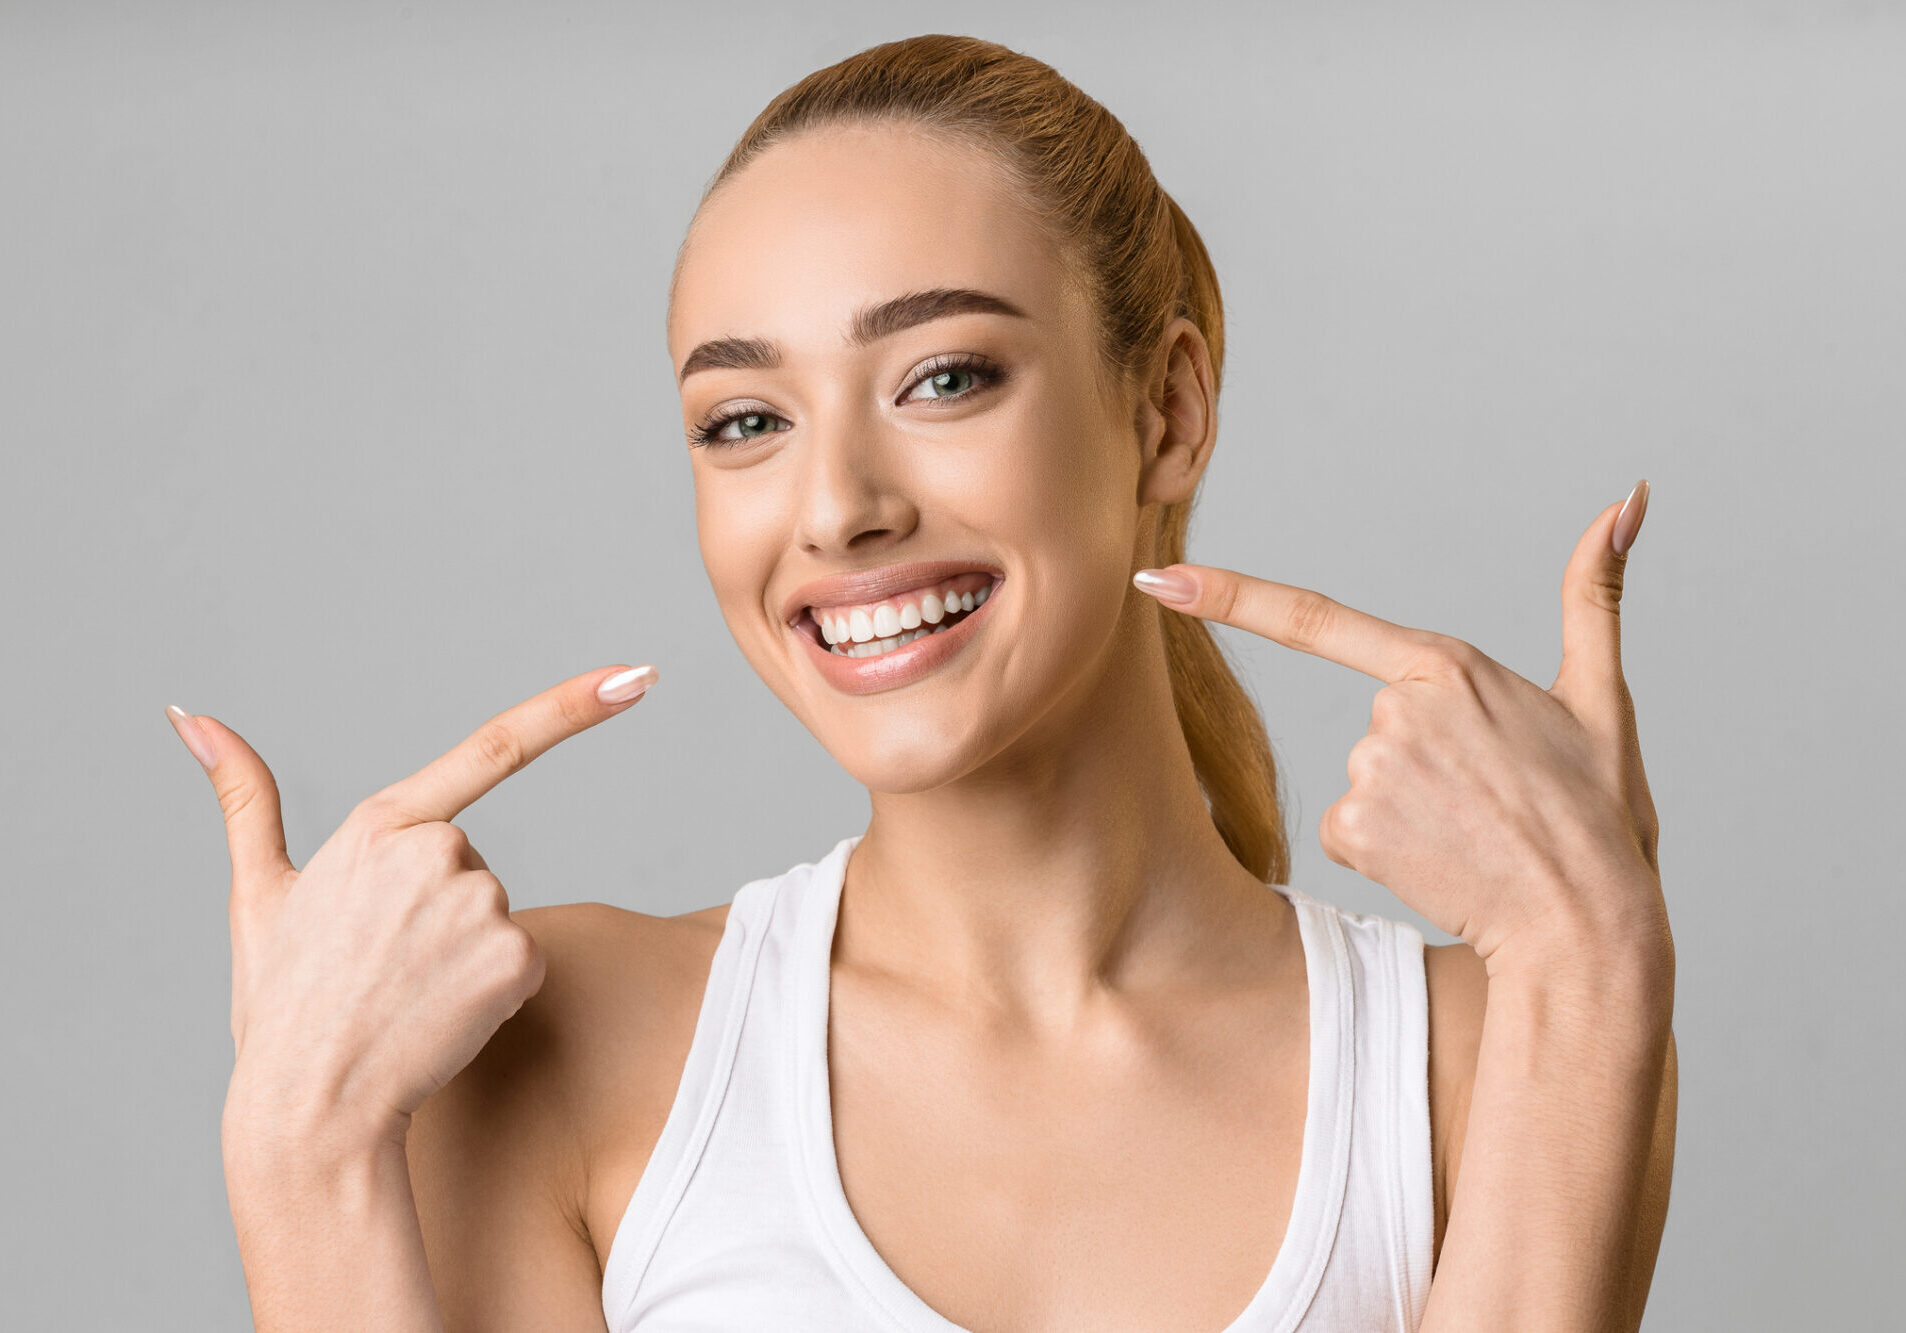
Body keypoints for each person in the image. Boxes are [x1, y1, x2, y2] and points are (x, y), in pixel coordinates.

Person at [182, 33, 1676, 1332]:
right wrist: (300, 1148)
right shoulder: (563, 1046)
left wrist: (1592, 949)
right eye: (744, 418)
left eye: (942, 378)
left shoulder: (1484, 1050)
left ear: (1164, 410)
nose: (834, 504)